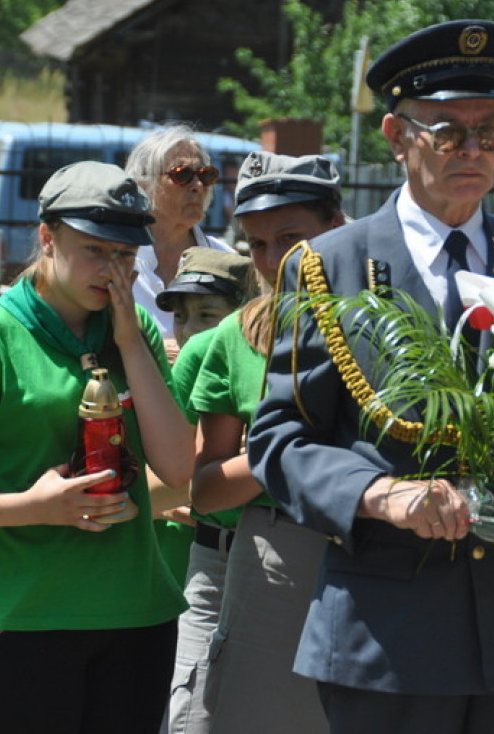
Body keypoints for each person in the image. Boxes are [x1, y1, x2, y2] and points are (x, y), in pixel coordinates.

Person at [247, 20, 494, 734]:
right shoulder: (330, 265)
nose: (474, 151)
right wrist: (379, 494)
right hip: (391, 635)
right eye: (449, 133)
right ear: (397, 138)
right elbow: (279, 441)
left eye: (489, 133)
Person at [0, 161, 193, 734]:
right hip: (26, 619)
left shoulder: (133, 330)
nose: (112, 269)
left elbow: (178, 469)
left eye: (125, 254)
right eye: (94, 250)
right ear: (47, 237)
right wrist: (35, 507)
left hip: (138, 615)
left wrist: (130, 343)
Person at [182, 152, 344, 734]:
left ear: (336, 227)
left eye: (291, 239)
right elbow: (203, 490)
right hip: (276, 551)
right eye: (256, 244)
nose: (273, 261)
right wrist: (280, 449)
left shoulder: (386, 321)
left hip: (379, 548)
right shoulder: (235, 337)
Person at [148, 247, 255, 590]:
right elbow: (155, 483)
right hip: (176, 564)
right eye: (180, 317)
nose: (189, 331)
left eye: (207, 315)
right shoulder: (161, 377)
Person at [126, 125, 235, 361]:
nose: (198, 186)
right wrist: (153, 350)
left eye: (206, 175)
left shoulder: (226, 262)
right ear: (143, 185)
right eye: (182, 175)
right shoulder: (117, 260)